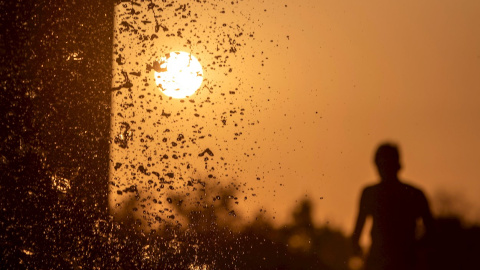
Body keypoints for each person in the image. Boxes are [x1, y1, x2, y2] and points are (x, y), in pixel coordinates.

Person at [351, 143, 434, 270]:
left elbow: (357, 233)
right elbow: (432, 232)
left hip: (391, 261)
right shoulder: (413, 193)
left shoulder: (371, 193)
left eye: (386, 163)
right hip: (399, 261)